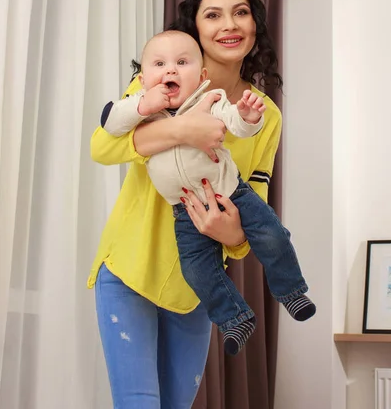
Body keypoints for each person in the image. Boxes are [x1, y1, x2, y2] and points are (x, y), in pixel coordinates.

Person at [88, 0, 297, 408]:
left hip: (195, 288)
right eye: (213, 15)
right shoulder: (158, 84)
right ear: (196, 28)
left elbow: (253, 210)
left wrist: (234, 237)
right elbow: (104, 147)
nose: (229, 25)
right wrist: (185, 128)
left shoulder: (265, 115)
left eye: (240, 13)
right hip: (131, 268)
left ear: (255, 24)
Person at [101, 29, 315, 357]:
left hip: (232, 194)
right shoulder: (139, 111)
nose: (170, 70)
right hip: (185, 210)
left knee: (273, 235)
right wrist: (144, 105)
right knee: (197, 269)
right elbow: (110, 125)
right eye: (160, 64)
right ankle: (234, 317)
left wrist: (248, 117)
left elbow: (236, 125)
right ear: (143, 79)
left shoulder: (209, 100)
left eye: (182, 63)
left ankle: (291, 290)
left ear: (201, 75)